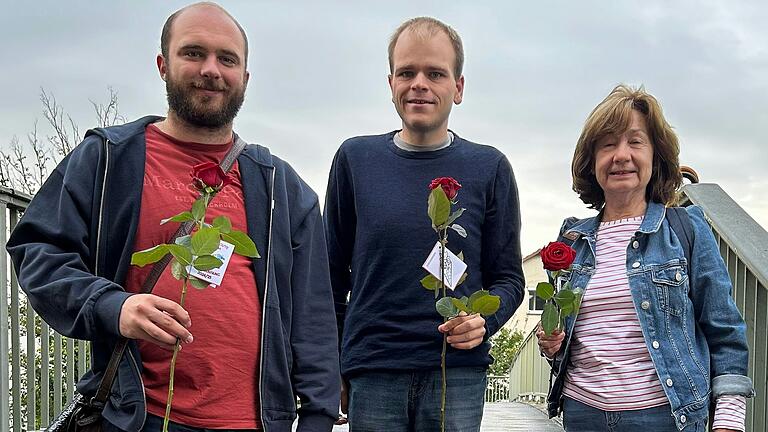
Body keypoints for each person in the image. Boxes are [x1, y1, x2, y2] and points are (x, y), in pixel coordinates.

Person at [6, 3, 339, 431]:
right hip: (136, 417)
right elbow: (37, 250)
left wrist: (317, 416)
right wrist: (112, 306)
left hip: (253, 422)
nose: (211, 70)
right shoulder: (108, 159)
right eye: (193, 53)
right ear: (163, 65)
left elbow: (314, 318)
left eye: (227, 59)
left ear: (245, 78)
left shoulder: (282, 189)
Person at [324, 16, 525, 432]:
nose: (420, 83)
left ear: (458, 87)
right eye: (407, 72)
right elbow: (329, 275)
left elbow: (508, 278)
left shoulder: (490, 167)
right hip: (373, 369)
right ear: (391, 83)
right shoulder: (355, 160)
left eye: (435, 73)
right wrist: (335, 361)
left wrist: (485, 321)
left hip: (458, 371)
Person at [536, 84, 754, 432]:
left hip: (666, 417)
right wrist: (551, 344)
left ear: (656, 156)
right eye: (608, 144)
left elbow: (724, 329)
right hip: (582, 413)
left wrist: (729, 418)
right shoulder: (572, 239)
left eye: (635, 142)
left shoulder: (686, 228)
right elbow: (569, 342)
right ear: (592, 161)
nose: (621, 155)